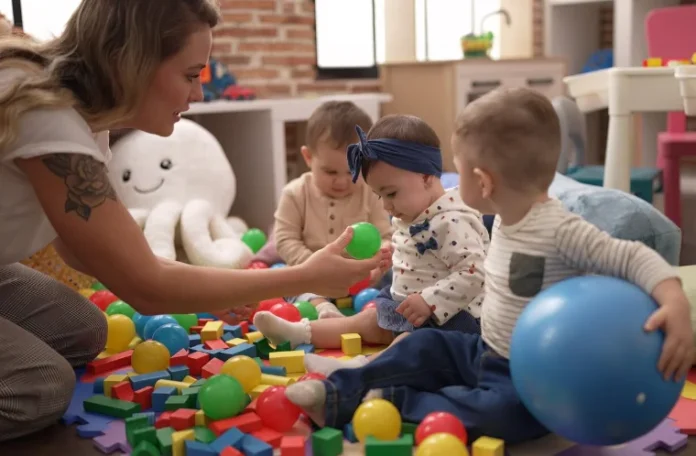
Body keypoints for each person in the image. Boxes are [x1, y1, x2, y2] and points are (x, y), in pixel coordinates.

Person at [0, 0, 388, 442]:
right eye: (190, 75)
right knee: (41, 386)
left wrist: (207, 289)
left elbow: (86, 250)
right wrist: (303, 276)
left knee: (84, 331)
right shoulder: (47, 115)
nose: (199, 94)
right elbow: (146, 286)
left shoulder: (88, 120)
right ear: (132, 63)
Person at [282, 88, 695, 444]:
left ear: (483, 181)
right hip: (483, 348)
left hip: (531, 376)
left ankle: (392, 402)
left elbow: (631, 255)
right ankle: (337, 392)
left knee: (502, 415)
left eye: (457, 171)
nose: (447, 181)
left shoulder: (559, 229)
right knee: (420, 346)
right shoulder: (503, 219)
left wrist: (674, 300)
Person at [254, 114, 489, 375]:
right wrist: (389, 254)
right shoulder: (414, 211)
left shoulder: (453, 221)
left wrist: (429, 301)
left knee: (411, 344)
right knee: (366, 320)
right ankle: (298, 333)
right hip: (408, 307)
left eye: (391, 194)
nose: (386, 206)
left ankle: (359, 371)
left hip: (450, 320)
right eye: (380, 196)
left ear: (425, 177)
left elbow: (474, 273)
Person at [273, 101, 392, 318]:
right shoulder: (294, 194)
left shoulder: (371, 192)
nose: (342, 181)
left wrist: (379, 261)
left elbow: (386, 236)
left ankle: (379, 311)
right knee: (289, 282)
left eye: (352, 171)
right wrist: (313, 266)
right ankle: (324, 309)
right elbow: (285, 240)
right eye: (330, 172)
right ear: (308, 157)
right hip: (312, 275)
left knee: (396, 276)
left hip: (361, 277)